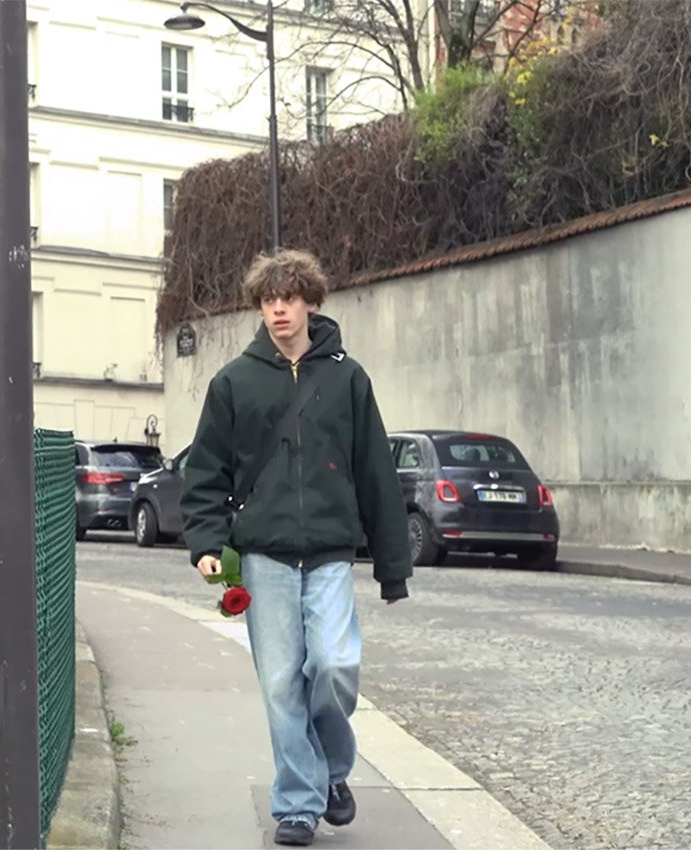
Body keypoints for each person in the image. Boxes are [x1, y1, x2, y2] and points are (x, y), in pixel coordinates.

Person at [178, 249, 413, 847]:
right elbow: (205, 472)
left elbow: (375, 473)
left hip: (330, 553)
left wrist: (392, 568)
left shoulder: (347, 378)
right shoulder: (233, 382)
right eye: (268, 300)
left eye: (288, 298)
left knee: (333, 665)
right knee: (281, 684)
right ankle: (298, 804)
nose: (279, 309)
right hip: (263, 557)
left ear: (310, 301)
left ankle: (331, 769)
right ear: (259, 307)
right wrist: (206, 542)